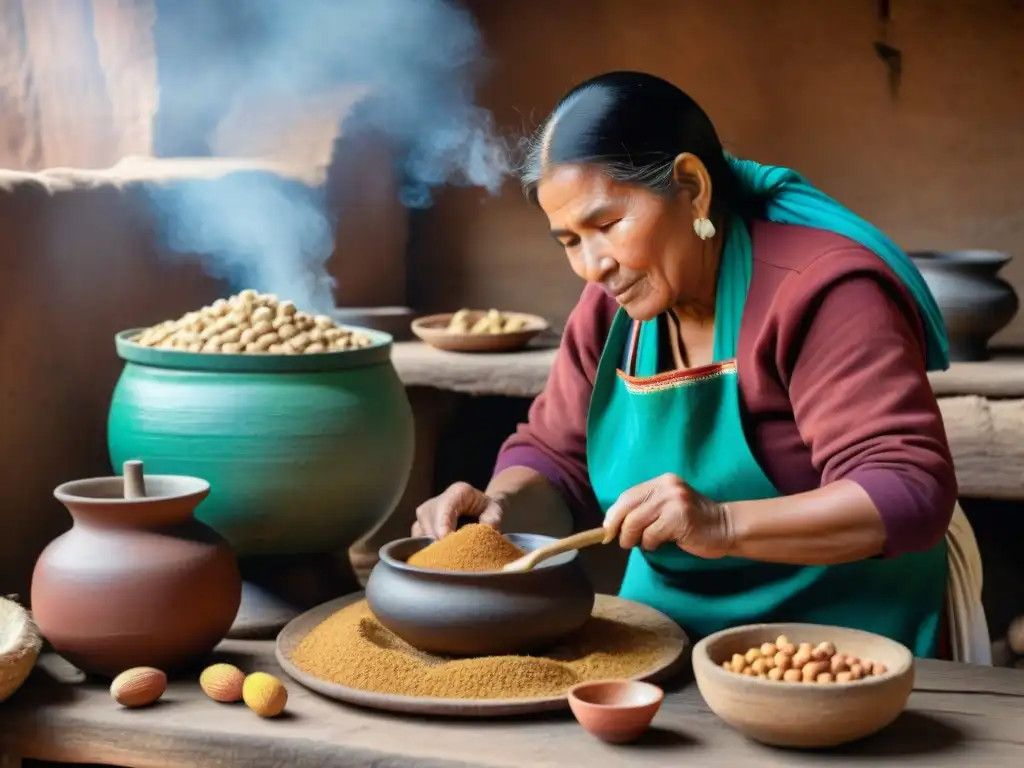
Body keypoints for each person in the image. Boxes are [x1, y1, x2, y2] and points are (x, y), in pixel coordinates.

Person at [413, 71, 989, 663]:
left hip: (836, 643)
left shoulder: (822, 293)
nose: (592, 266)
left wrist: (720, 524)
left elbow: (907, 489)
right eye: (568, 241)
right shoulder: (611, 310)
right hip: (663, 634)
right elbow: (555, 458)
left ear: (691, 186)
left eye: (607, 226)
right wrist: (499, 511)